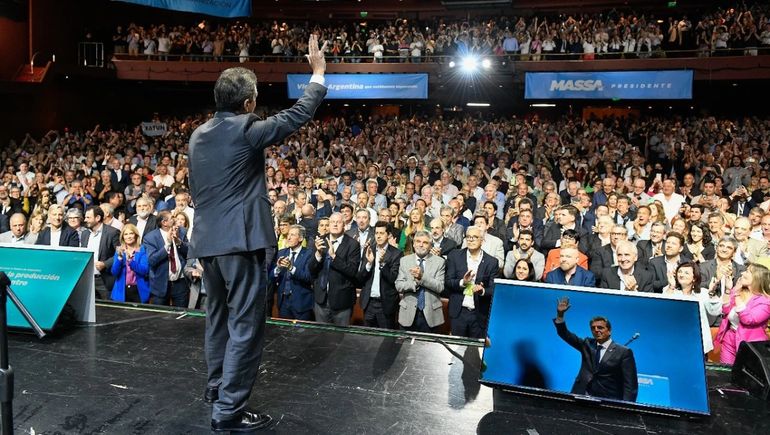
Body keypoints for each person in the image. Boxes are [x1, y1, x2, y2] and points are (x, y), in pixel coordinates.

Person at [187, 35, 328, 432]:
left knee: (216, 319)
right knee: (246, 325)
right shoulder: (247, 128)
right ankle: (228, 411)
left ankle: (216, 389)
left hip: (207, 243)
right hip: (241, 241)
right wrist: (317, 75)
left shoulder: (197, 135)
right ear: (248, 103)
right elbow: (296, 115)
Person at [553, 297, 638, 402]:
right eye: (593, 328)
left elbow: (630, 385)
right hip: (581, 396)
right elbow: (565, 334)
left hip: (607, 401)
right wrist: (560, 315)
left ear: (609, 330)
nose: (596, 330)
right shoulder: (587, 344)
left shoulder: (623, 352)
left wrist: (627, 408)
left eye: (600, 327)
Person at [444, 226, 498, 338]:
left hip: (478, 314)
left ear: (482, 241)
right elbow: (448, 282)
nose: (471, 239)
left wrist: (482, 290)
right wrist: (462, 282)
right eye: (468, 237)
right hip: (459, 312)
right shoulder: (454, 256)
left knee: (475, 352)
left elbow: (493, 289)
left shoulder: (491, 262)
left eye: (475, 237)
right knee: (456, 348)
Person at [309, 212, 360, 325]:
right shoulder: (320, 241)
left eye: (338, 222)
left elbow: (352, 271)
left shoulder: (353, 244)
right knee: (321, 337)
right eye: (332, 222)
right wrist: (318, 254)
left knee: (340, 339)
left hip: (342, 302)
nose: (335, 225)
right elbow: (311, 269)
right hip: (321, 300)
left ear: (344, 225)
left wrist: (334, 257)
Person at [716, 261, 770, 365]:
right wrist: (728, 290)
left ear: (757, 277)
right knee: (726, 374)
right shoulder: (738, 291)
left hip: (750, 345)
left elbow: (748, 320)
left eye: (747, 272)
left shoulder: (766, 301)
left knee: (745, 377)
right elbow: (725, 311)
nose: (742, 273)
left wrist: (736, 295)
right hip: (729, 339)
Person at [395, 230, 446, 333]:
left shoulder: (439, 262)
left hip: (431, 315)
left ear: (430, 245)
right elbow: (399, 285)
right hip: (407, 314)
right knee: (405, 348)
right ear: (413, 244)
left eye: (425, 242)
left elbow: (440, 287)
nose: (421, 245)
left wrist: (422, 277)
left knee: (428, 348)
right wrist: (415, 283)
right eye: (418, 241)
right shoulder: (404, 260)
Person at [356, 221, 403, 329]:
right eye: (376, 233)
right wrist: (369, 264)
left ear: (389, 235)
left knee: (386, 340)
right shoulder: (368, 250)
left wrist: (382, 264)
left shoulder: (396, 254)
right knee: (368, 338)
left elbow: (393, 279)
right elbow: (360, 278)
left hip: (385, 304)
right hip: (369, 303)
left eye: (381, 233)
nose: (378, 236)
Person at [662, 262, 717, 354]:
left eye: (686, 273)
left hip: (697, 340)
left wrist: (711, 293)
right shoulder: (669, 290)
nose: (682, 275)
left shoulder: (703, 293)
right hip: (675, 340)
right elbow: (664, 309)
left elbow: (715, 311)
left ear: (694, 278)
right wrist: (671, 286)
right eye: (680, 272)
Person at [144, 210, 189, 306]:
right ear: (164, 223)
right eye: (172, 218)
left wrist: (179, 243)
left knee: (182, 316)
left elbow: (189, 252)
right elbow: (152, 260)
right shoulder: (150, 237)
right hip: (160, 284)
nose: (175, 219)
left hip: (180, 283)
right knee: (160, 317)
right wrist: (167, 244)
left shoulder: (181, 232)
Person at [272, 225, 314, 321]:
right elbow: (271, 277)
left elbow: (308, 277)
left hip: (301, 303)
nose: (289, 238)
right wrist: (278, 268)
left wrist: (291, 268)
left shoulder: (309, 254)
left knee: (302, 334)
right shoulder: (281, 253)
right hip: (283, 302)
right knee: (284, 333)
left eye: (293, 235)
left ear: (300, 238)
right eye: (288, 235)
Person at [81, 206, 121, 300]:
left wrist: (105, 264)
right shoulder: (85, 234)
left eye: (88, 217)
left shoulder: (113, 232)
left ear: (98, 218)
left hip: (104, 280)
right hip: (87, 279)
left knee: (106, 311)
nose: (85, 220)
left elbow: (120, 254)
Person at [110, 224, 150, 303]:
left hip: (138, 291)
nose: (128, 236)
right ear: (123, 237)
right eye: (126, 234)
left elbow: (144, 270)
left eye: (131, 233)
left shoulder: (142, 250)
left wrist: (130, 261)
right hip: (122, 292)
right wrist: (120, 258)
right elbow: (114, 272)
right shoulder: (120, 251)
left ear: (135, 235)